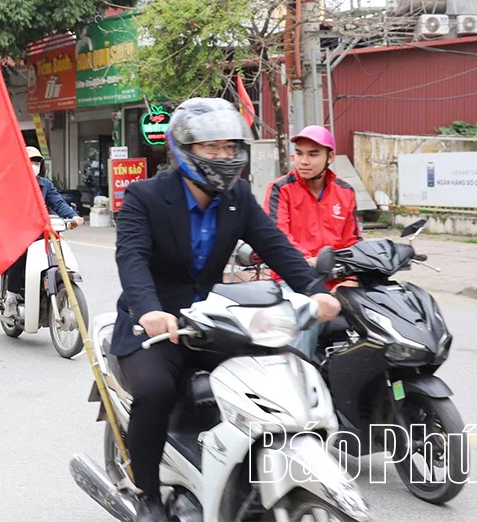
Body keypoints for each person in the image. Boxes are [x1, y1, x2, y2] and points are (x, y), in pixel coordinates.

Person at [111, 98, 342, 522]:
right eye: (210, 147)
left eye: (230, 147)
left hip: (210, 320)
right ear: (183, 148)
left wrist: (314, 290)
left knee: (283, 371)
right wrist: (149, 310)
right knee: (155, 391)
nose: (223, 156)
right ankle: (145, 491)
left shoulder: (237, 196)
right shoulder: (145, 196)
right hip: (157, 326)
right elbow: (132, 258)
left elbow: (275, 246)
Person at [264, 125, 362, 357]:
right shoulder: (281, 189)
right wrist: (309, 263)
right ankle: (297, 378)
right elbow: (279, 240)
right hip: (293, 279)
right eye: (299, 153)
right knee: (310, 312)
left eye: (313, 154)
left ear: (330, 157)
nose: (303, 161)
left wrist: (352, 279)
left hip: (336, 278)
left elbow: (353, 241)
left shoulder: (345, 191)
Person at [1, 146, 85, 317]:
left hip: (41, 231)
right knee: (21, 255)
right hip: (18, 233)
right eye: (31, 161)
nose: (34, 164)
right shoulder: (11, 183)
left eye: (37, 161)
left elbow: (58, 203)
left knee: (57, 251)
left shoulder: (45, 184)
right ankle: (10, 296)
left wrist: (73, 216)